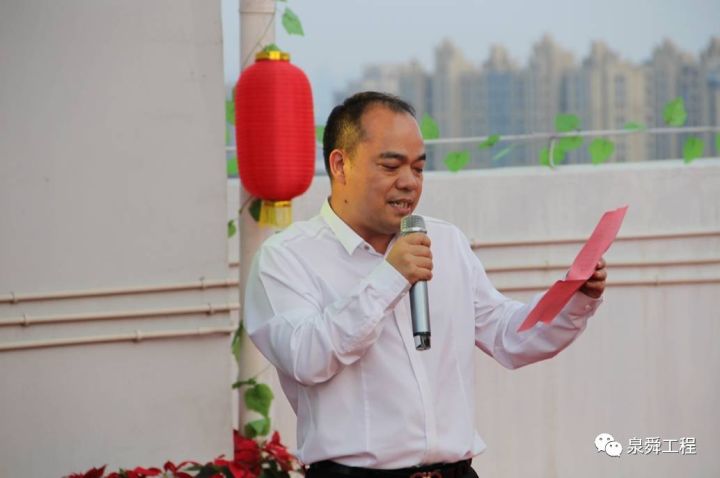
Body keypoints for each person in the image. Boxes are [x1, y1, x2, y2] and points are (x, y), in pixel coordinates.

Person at [244, 91, 607, 478]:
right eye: (391, 166)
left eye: (418, 169)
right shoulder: (286, 257)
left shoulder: (445, 242)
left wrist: (574, 298)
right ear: (340, 164)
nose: (408, 182)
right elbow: (306, 357)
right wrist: (390, 278)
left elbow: (508, 335)